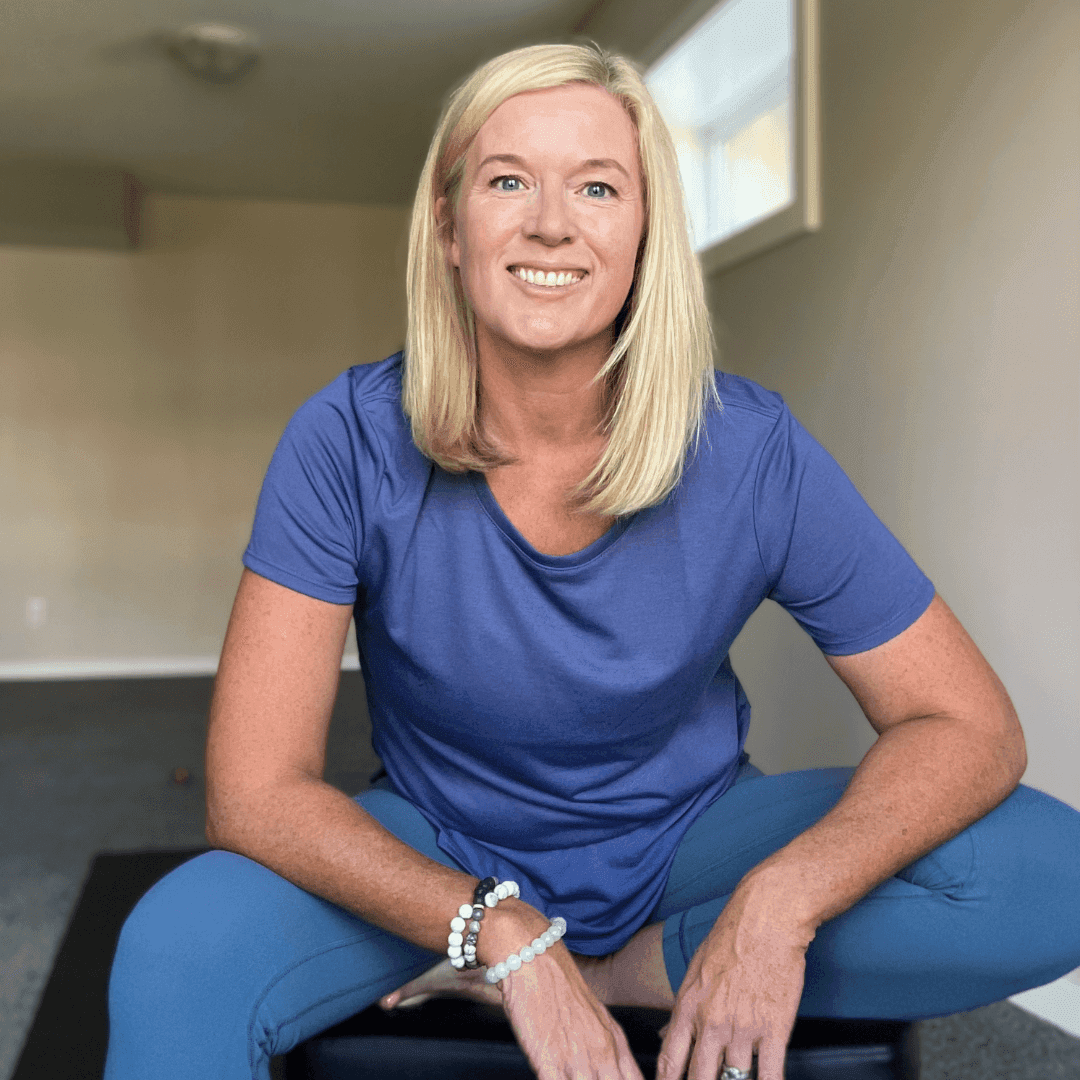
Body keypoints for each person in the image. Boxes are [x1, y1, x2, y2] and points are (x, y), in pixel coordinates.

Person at [104, 42, 1080, 1080]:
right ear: (448, 226)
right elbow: (253, 790)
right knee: (176, 950)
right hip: (442, 847)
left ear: (647, 230)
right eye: (508, 179)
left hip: (691, 840)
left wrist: (777, 904)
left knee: (1043, 872)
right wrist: (498, 929)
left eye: (599, 186)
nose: (551, 222)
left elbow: (969, 726)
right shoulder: (344, 438)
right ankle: (520, 951)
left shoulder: (749, 450)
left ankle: (622, 970)